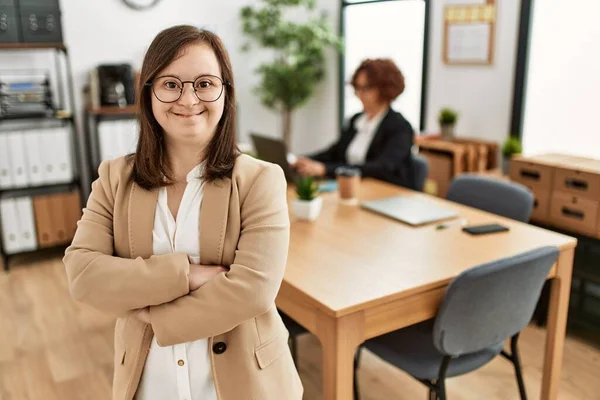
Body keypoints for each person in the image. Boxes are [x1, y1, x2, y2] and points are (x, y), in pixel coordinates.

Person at [63, 25, 302, 400]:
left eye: (205, 83)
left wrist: (150, 314)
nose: (189, 99)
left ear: (225, 92)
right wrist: (186, 275)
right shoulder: (114, 177)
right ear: (149, 93)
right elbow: (83, 274)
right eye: (171, 84)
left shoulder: (261, 179)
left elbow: (252, 291)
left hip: (245, 384)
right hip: (147, 382)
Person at [294, 58, 415, 188]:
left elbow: (382, 168)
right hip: (352, 187)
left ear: (385, 89)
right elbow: (335, 152)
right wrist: (303, 160)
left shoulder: (400, 127)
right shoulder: (356, 120)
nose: (360, 94)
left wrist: (326, 169)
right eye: (357, 88)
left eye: (366, 88)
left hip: (384, 191)